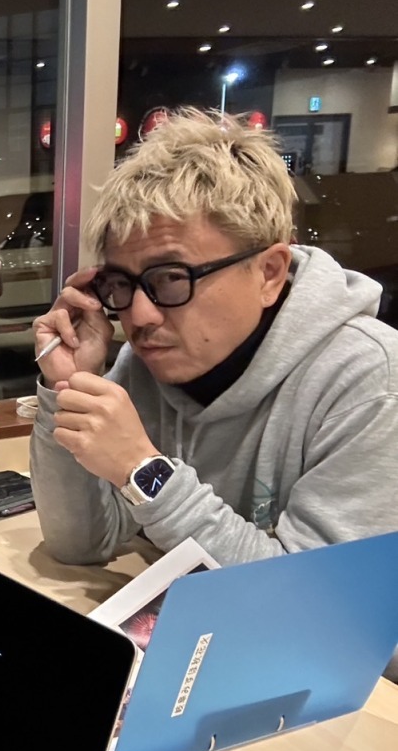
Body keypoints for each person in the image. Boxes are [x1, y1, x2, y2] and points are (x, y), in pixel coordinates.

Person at [29, 107, 398, 568]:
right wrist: (68, 387)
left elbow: (314, 599)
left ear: (269, 273)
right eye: (121, 283)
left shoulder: (370, 382)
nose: (138, 316)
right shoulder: (143, 368)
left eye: (171, 278)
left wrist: (143, 470)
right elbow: (80, 543)